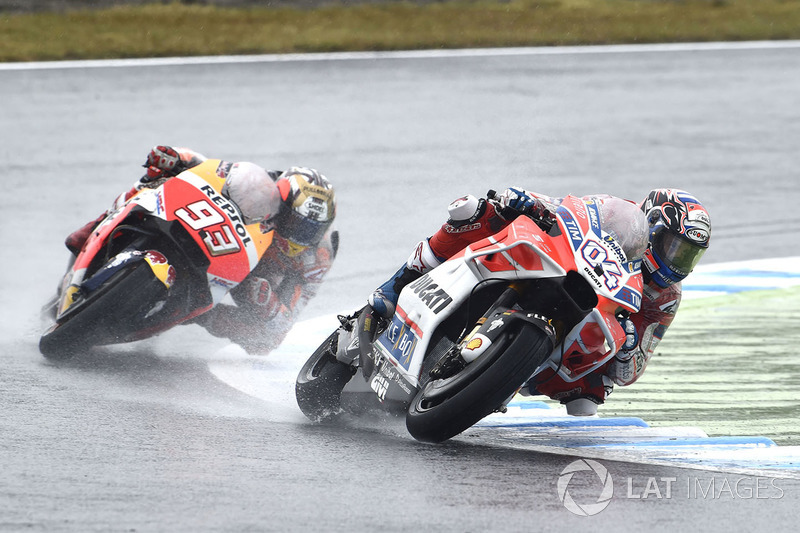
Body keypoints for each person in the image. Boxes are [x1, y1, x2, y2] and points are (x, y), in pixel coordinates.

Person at [367, 187, 711, 415]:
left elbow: (631, 371)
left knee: (587, 401)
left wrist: (628, 347)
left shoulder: (665, 298)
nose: (678, 263)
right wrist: (525, 200)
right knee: (475, 212)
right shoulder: (619, 217)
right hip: (562, 267)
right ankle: (397, 285)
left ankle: (501, 377)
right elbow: (569, 212)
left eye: (688, 257)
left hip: (585, 325)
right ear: (651, 225)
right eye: (675, 248)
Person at [64, 146, 339, 355]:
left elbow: (280, 330)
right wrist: (174, 158)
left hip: (251, 279)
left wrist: (268, 304)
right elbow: (207, 167)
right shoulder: (260, 187)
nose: (298, 236)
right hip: (222, 237)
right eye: (292, 222)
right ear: (281, 202)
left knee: (264, 340)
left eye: (309, 230)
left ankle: (194, 312)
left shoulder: (316, 259)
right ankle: (93, 229)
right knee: (155, 180)